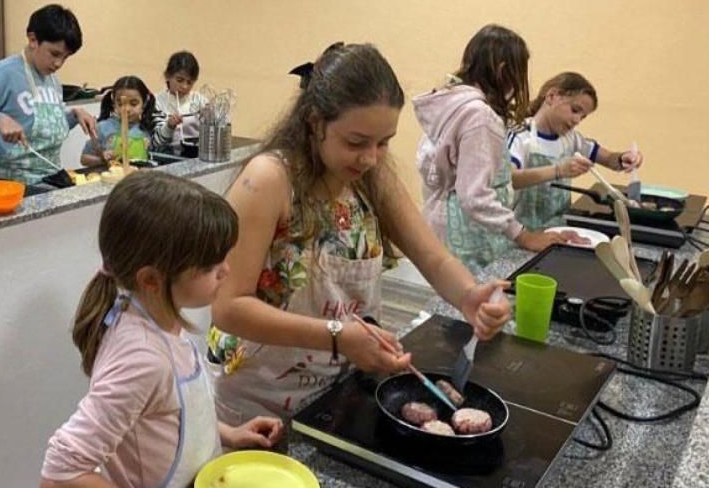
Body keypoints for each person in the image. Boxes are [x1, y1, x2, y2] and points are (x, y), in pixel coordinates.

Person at [207, 43, 511, 424]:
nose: (370, 157)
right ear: (315, 122)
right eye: (356, 142)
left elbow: (433, 257)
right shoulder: (269, 180)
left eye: (383, 142)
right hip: (260, 399)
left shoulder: (371, 178)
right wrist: (338, 335)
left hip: (337, 391)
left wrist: (468, 296)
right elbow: (228, 307)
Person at [40, 171, 282, 488]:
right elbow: (61, 468)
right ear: (152, 280)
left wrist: (228, 434)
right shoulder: (143, 359)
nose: (226, 270)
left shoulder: (161, 320)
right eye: (210, 266)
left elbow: (171, 415)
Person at [414, 24, 578, 273]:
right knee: (466, 303)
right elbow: (474, 195)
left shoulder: (452, 102)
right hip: (466, 237)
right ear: (503, 71)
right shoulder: (480, 116)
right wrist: (523, 235)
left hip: (442, 224)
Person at [0, 4, 97, 186]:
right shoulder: (4, 73)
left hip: (48, 181)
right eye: (54, 54)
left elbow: (40, 129)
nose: (58, 63)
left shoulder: (52, 80)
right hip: (9, 186)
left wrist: (74, 115)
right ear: (33, 40)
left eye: (65, 58)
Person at [508, 72, 644, 230]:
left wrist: (623, 158)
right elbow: (510, 178)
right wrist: (559, 170)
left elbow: (608, 159)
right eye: (575, 110)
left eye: (583, 117)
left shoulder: (572, 139)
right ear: (552, 96)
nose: (577, 120)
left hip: (560, 229)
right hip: (523, 233)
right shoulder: (520, 136)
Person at [81, 76, 156, 166]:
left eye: (133, 104)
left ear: (145, 102)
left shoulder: (151, 127)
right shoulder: (102, 127)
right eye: (120, 104)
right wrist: (102, 159)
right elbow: (84, 159)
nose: (126, 109)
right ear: (114, 103)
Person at [152, 51, 207, 153]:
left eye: (189, 82)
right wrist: (169, 126)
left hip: (195, 158)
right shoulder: (156, 102)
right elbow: (155, 142)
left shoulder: (200, 101)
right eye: (179, 80)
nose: (184, 86)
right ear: (168, 76)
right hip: (164, 159)